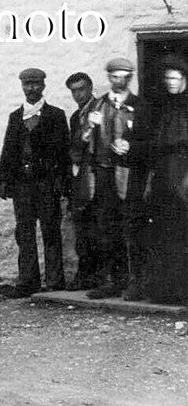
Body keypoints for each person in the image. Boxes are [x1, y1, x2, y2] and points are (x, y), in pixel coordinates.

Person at [0, 67, 70, 297]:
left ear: (43, 86)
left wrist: (62, 182)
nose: (31, 89)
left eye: (36, 84)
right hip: (23, 186)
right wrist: (4, 181)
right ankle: (28, 281)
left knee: (50, 230)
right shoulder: (15, 117)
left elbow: (64, 153)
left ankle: (55, 281)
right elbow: (8, 150)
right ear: (22, 87)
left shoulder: (56, 116)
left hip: (47, 184)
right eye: (27, 84)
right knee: (25, 233)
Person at [81, 57, 149, 301]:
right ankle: (111, 281)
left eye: (124, 77)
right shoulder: (97, 105)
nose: (119, 81)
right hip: (104, 173)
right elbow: (81, 141)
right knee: (106, 229)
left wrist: (131, 145)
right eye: (115, 76)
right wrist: (89, 127)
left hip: (129, 176)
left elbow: (149, 142)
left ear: (130, 78)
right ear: (109, 77)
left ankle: (135, 283)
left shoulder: (140, 106)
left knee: (131, 229)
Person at [145, 55, 188, 305]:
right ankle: (168, 291)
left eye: (174, 78)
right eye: (167, 79)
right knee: (167, 231)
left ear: (184, 78)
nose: (170, 83)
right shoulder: (166, 106)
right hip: (165, 172)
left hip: (183, 172)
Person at [65, 71, 100, 291]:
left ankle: (99, 276)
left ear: (90, 88)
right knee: (83, 227)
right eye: (74, 91)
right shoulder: (75, 116)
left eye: (81, 89)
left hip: (97, 174)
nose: (78, 95)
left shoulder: (100, 109)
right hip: (81, 176)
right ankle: (85, 274)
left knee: (99, 227)